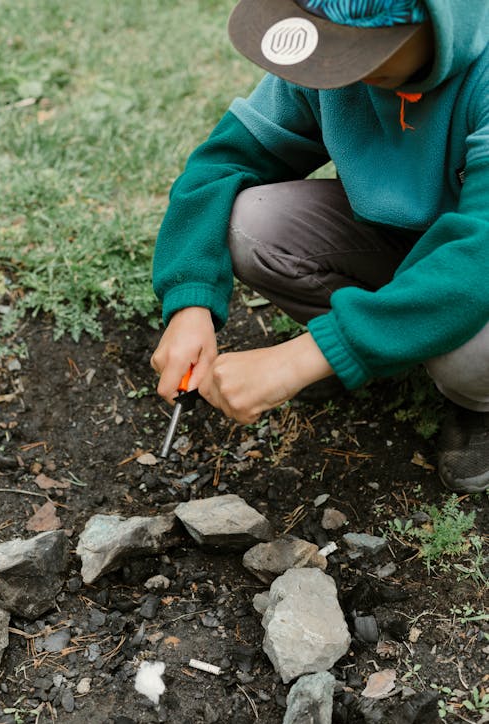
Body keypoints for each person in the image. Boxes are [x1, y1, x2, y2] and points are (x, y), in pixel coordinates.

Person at [150, 0, 489, 493]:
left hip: (477, 265)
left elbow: (475, 262)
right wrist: (190, 301)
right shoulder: (325, 60)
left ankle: (477, 403)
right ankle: (375, 342)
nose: (331, 68)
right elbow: (222, 164)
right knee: (251, 220)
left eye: (354, 51)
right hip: (420, 246)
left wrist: (301, 359)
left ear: (436, 19)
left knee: (470, 350)